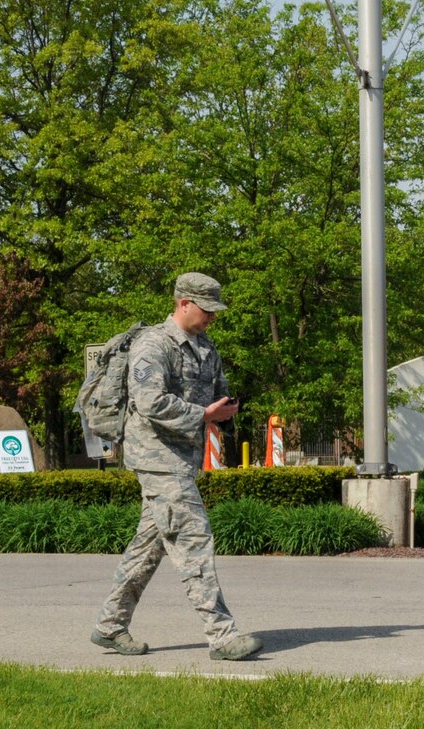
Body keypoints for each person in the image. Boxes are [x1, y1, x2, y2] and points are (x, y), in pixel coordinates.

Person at [91, 272, 263, 661]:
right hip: (157, 459)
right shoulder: (153, 344)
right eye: (207, 310)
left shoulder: (205, 347)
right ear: (184, 303)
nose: (212, 318)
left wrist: (224, 412)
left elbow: (216, 392)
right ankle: (222, 636)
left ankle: (109, 625)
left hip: (183, 459)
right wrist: (203, 414)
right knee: (193, 540)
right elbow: (150, 402)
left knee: (148, 548)